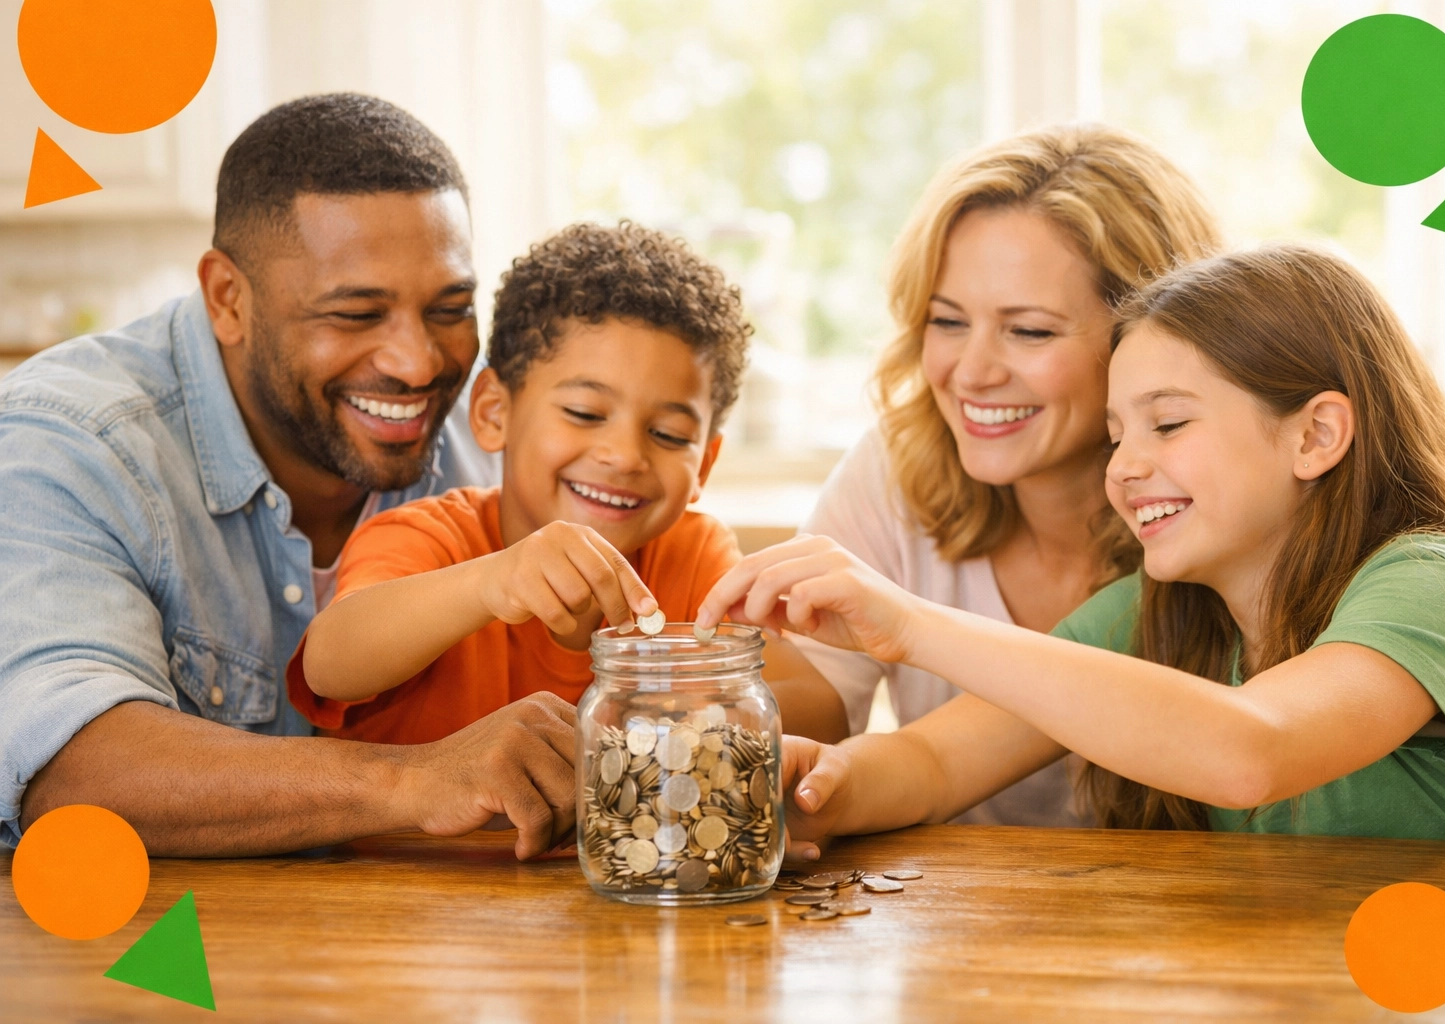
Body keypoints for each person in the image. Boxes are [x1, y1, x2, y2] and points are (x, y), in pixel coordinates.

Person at [703, 244, 1445, 847]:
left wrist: (910, 625)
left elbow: (1253, 749)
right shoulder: (1154, 614)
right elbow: (934, 762)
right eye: (1115, 435)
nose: (1125, 467)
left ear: (1315, 435)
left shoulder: (1436, 583)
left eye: (1167, 424)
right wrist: (826, 788)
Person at [2, 94, 572, 859]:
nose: (418, 364)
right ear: (228, 299)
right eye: (356, 314)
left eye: (450, 308)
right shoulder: (69, 440)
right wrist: (412, 780)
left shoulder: (496, 422)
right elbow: (71, 770)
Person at [777, 124, 1221, 825]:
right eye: (948, 321)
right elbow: (847, 727)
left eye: (1029, 331)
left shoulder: (1216, 509)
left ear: (1151, 338)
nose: (973, 373)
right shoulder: (897, 467)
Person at [287, 221, 827, 742]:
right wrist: (490, 583)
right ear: (494, 412)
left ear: (704, 465)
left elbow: (821, 710)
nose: (625, 456)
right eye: (584, 413)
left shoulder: (692, 556)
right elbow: (328, 663)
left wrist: (659, 725)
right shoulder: (428, 538)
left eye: (668, 434)